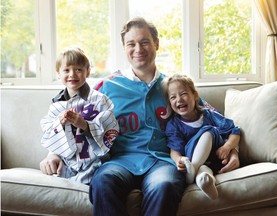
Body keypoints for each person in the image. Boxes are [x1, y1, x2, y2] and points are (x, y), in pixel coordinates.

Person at [40, 18, 240, 215]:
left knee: (166, 185)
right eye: (131, 44)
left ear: (156, 44)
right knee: (103, 182)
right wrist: (54, 154)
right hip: (119, 161)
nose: (138, 49)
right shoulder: (106, 87)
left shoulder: (173, 87)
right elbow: (74, 119)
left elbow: (210, 117)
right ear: (124, 48)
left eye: (145, 42)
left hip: (162, 162)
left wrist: (231, 150)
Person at [40, 46, 119, 184]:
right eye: (66, 70)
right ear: (58, 73)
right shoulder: (56, 104)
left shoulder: (100, 100)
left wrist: (85, 125)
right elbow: (49, 134)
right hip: (68, 162)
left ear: (87, 72)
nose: (72, 74)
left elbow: (111, 129)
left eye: (78, 69)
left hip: (94, 162)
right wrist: (59, 123)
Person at [163, 74, 240, 200]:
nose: (179, 99)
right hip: (197, 161)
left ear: (195, 96)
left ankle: (192, 173)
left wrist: (227, 146)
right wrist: (179, 160)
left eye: (183, 94)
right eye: (173, 97)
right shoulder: (174, 124)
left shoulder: (208, 115)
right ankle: (204, 180)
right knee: (203, 172)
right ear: (169, 103)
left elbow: (234, 131)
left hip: (218, 159)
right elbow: (174, 150)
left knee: (209, 130)